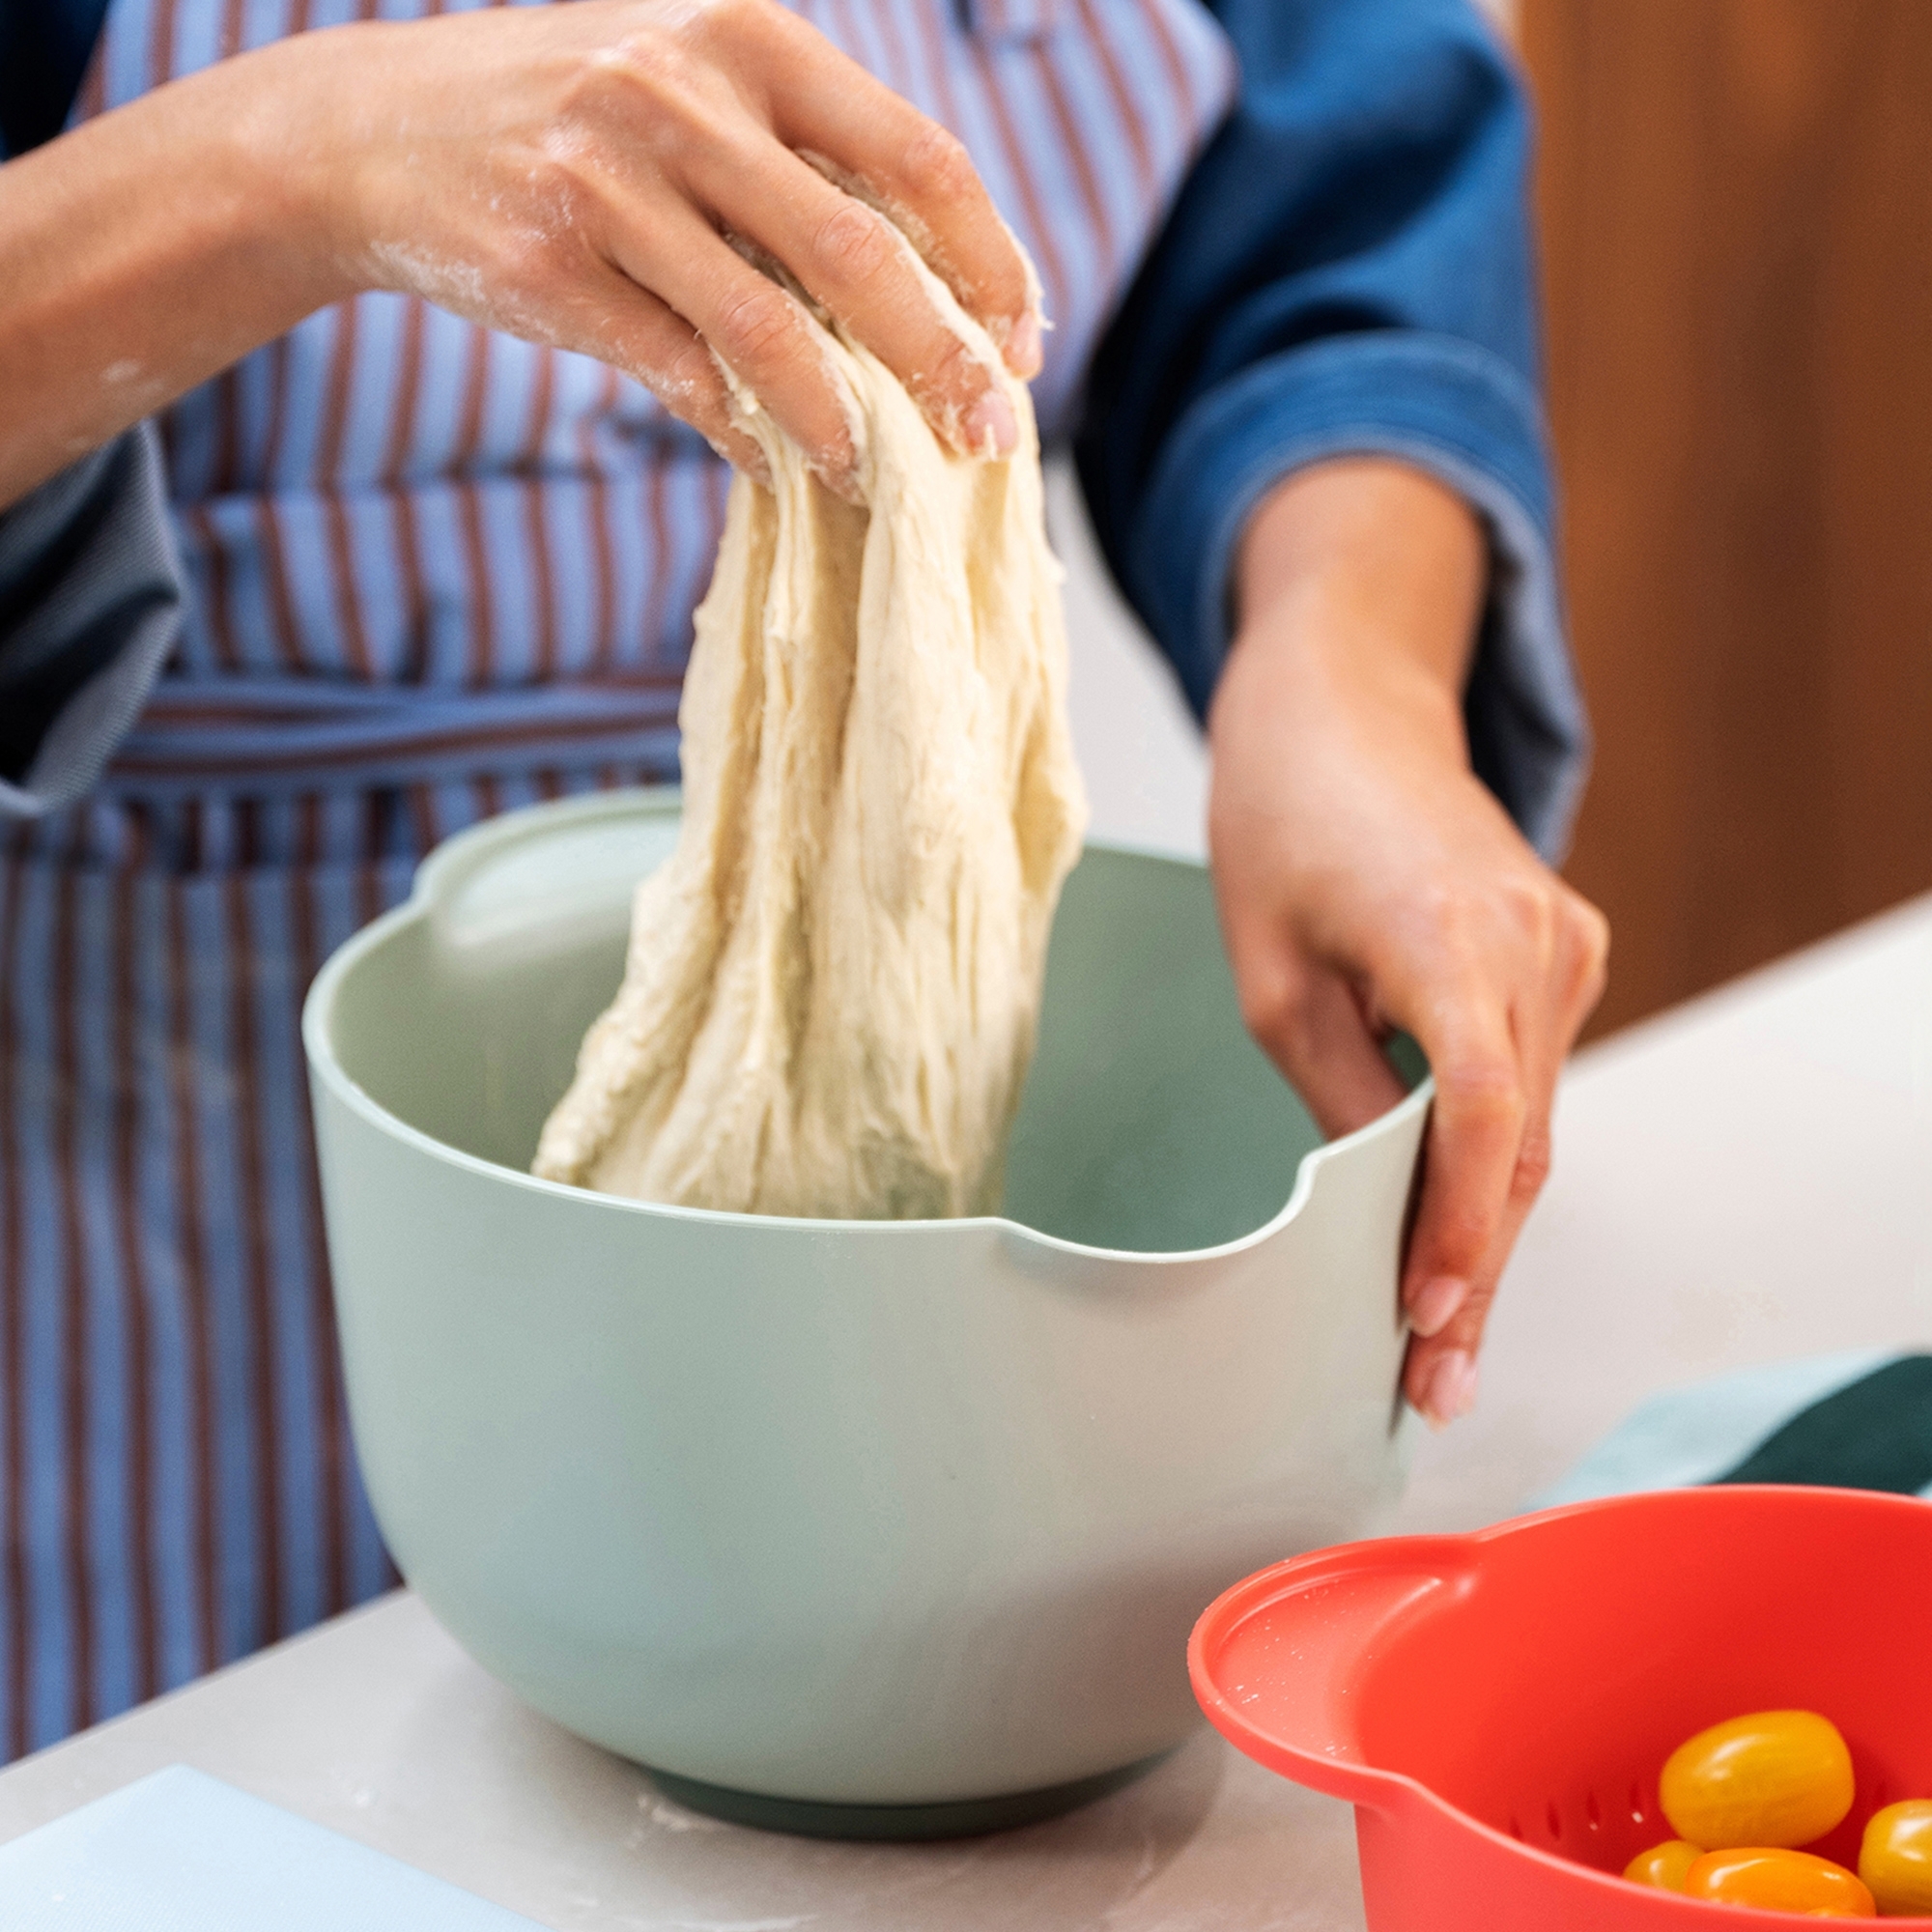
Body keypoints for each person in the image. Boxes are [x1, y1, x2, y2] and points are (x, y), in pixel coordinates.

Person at [0, 0, 1606, 1757]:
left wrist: (1349, 674)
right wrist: (290, 161)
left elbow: (1329, 200)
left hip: (904, 1290)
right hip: (115, 1112)